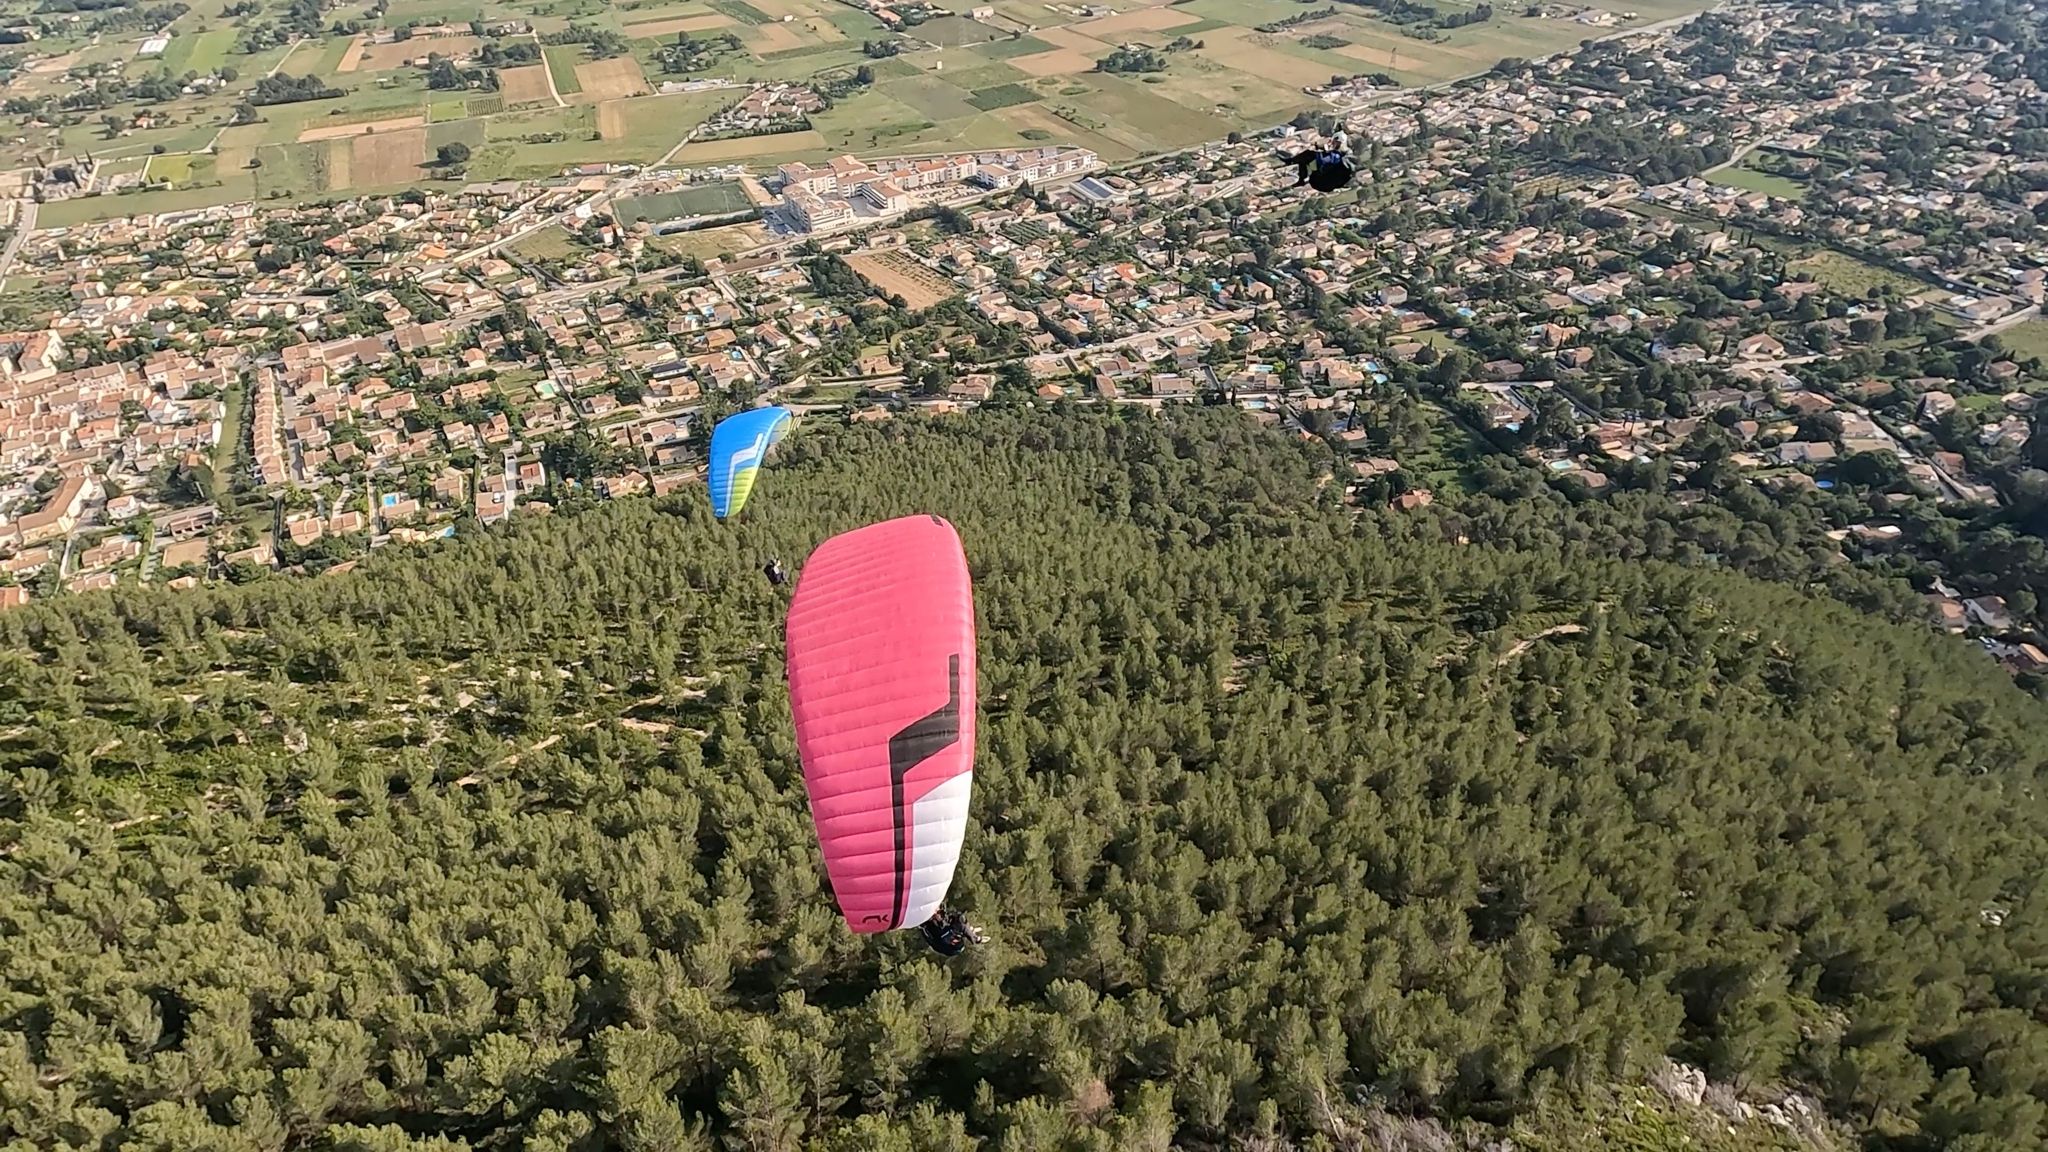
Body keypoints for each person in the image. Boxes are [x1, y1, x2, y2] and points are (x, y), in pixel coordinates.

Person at [917, 908, 984, 957]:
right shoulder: (956, 933)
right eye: (956, 940)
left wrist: (922, 928)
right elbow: (961, 924)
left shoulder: (942, 945)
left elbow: (930, 941)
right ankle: (974, 938)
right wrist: (974, 937)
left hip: (929, 924)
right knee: (960, 923)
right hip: (943, 921)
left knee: (941, 930)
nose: (953, 940)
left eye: (954, 942)